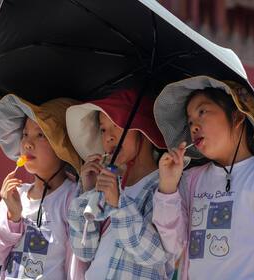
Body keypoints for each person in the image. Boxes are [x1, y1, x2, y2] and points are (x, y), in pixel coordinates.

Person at [152, 76, 254, 279]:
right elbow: (174, 246)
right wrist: (168, 188)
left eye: (202, 112)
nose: (194, 126)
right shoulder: (190, 180)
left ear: (238, 117)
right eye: (190, 121)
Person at [66, 89, 174, 279]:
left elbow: (155, 255)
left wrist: (118, 205)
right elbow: (84, 251)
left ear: (144, 130)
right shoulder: (108, 181)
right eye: (103, 129)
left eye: (116, 124)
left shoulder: (164, 186)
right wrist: (88, 190)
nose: (108, 137)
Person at [0, 94, 84, 279]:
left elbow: (78, 264)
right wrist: (13, 218)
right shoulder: (15, 196)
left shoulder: (73, 197)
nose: (28, 144)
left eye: (41, 135)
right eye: (25, 134)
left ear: (62, 146)